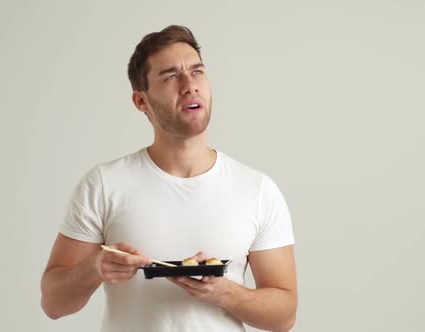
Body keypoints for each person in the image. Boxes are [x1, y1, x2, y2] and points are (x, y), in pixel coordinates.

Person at [40, 25, 298, 332]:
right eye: (171, 76)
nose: (190, 85)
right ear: (141, 101)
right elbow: (53, 304)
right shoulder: (104, 184)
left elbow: (284, 316)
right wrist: (94, 267)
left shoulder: (257, 190)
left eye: (197, 71)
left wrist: (223, 292)